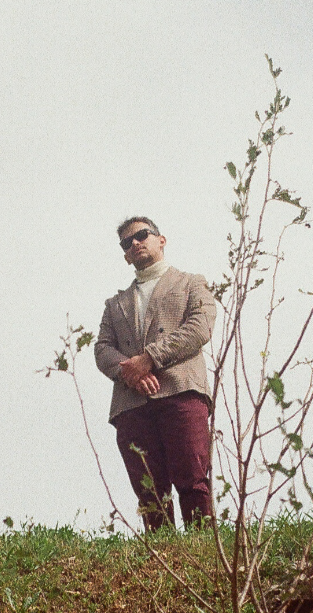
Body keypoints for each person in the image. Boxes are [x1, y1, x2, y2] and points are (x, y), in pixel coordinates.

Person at [94, 216, 216, 530]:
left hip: (181, 391)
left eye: (141, 235)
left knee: (193, 478)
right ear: (125, 255)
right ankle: (161, 552)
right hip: (131, 403)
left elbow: (199, 328)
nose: (135, 243)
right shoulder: (115, 304)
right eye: (127, 242)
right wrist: (131, 373)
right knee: (148, 490)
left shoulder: (191, 282)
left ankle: (203, 547)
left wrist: (150, 358)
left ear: (161, 240)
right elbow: (102, 349)